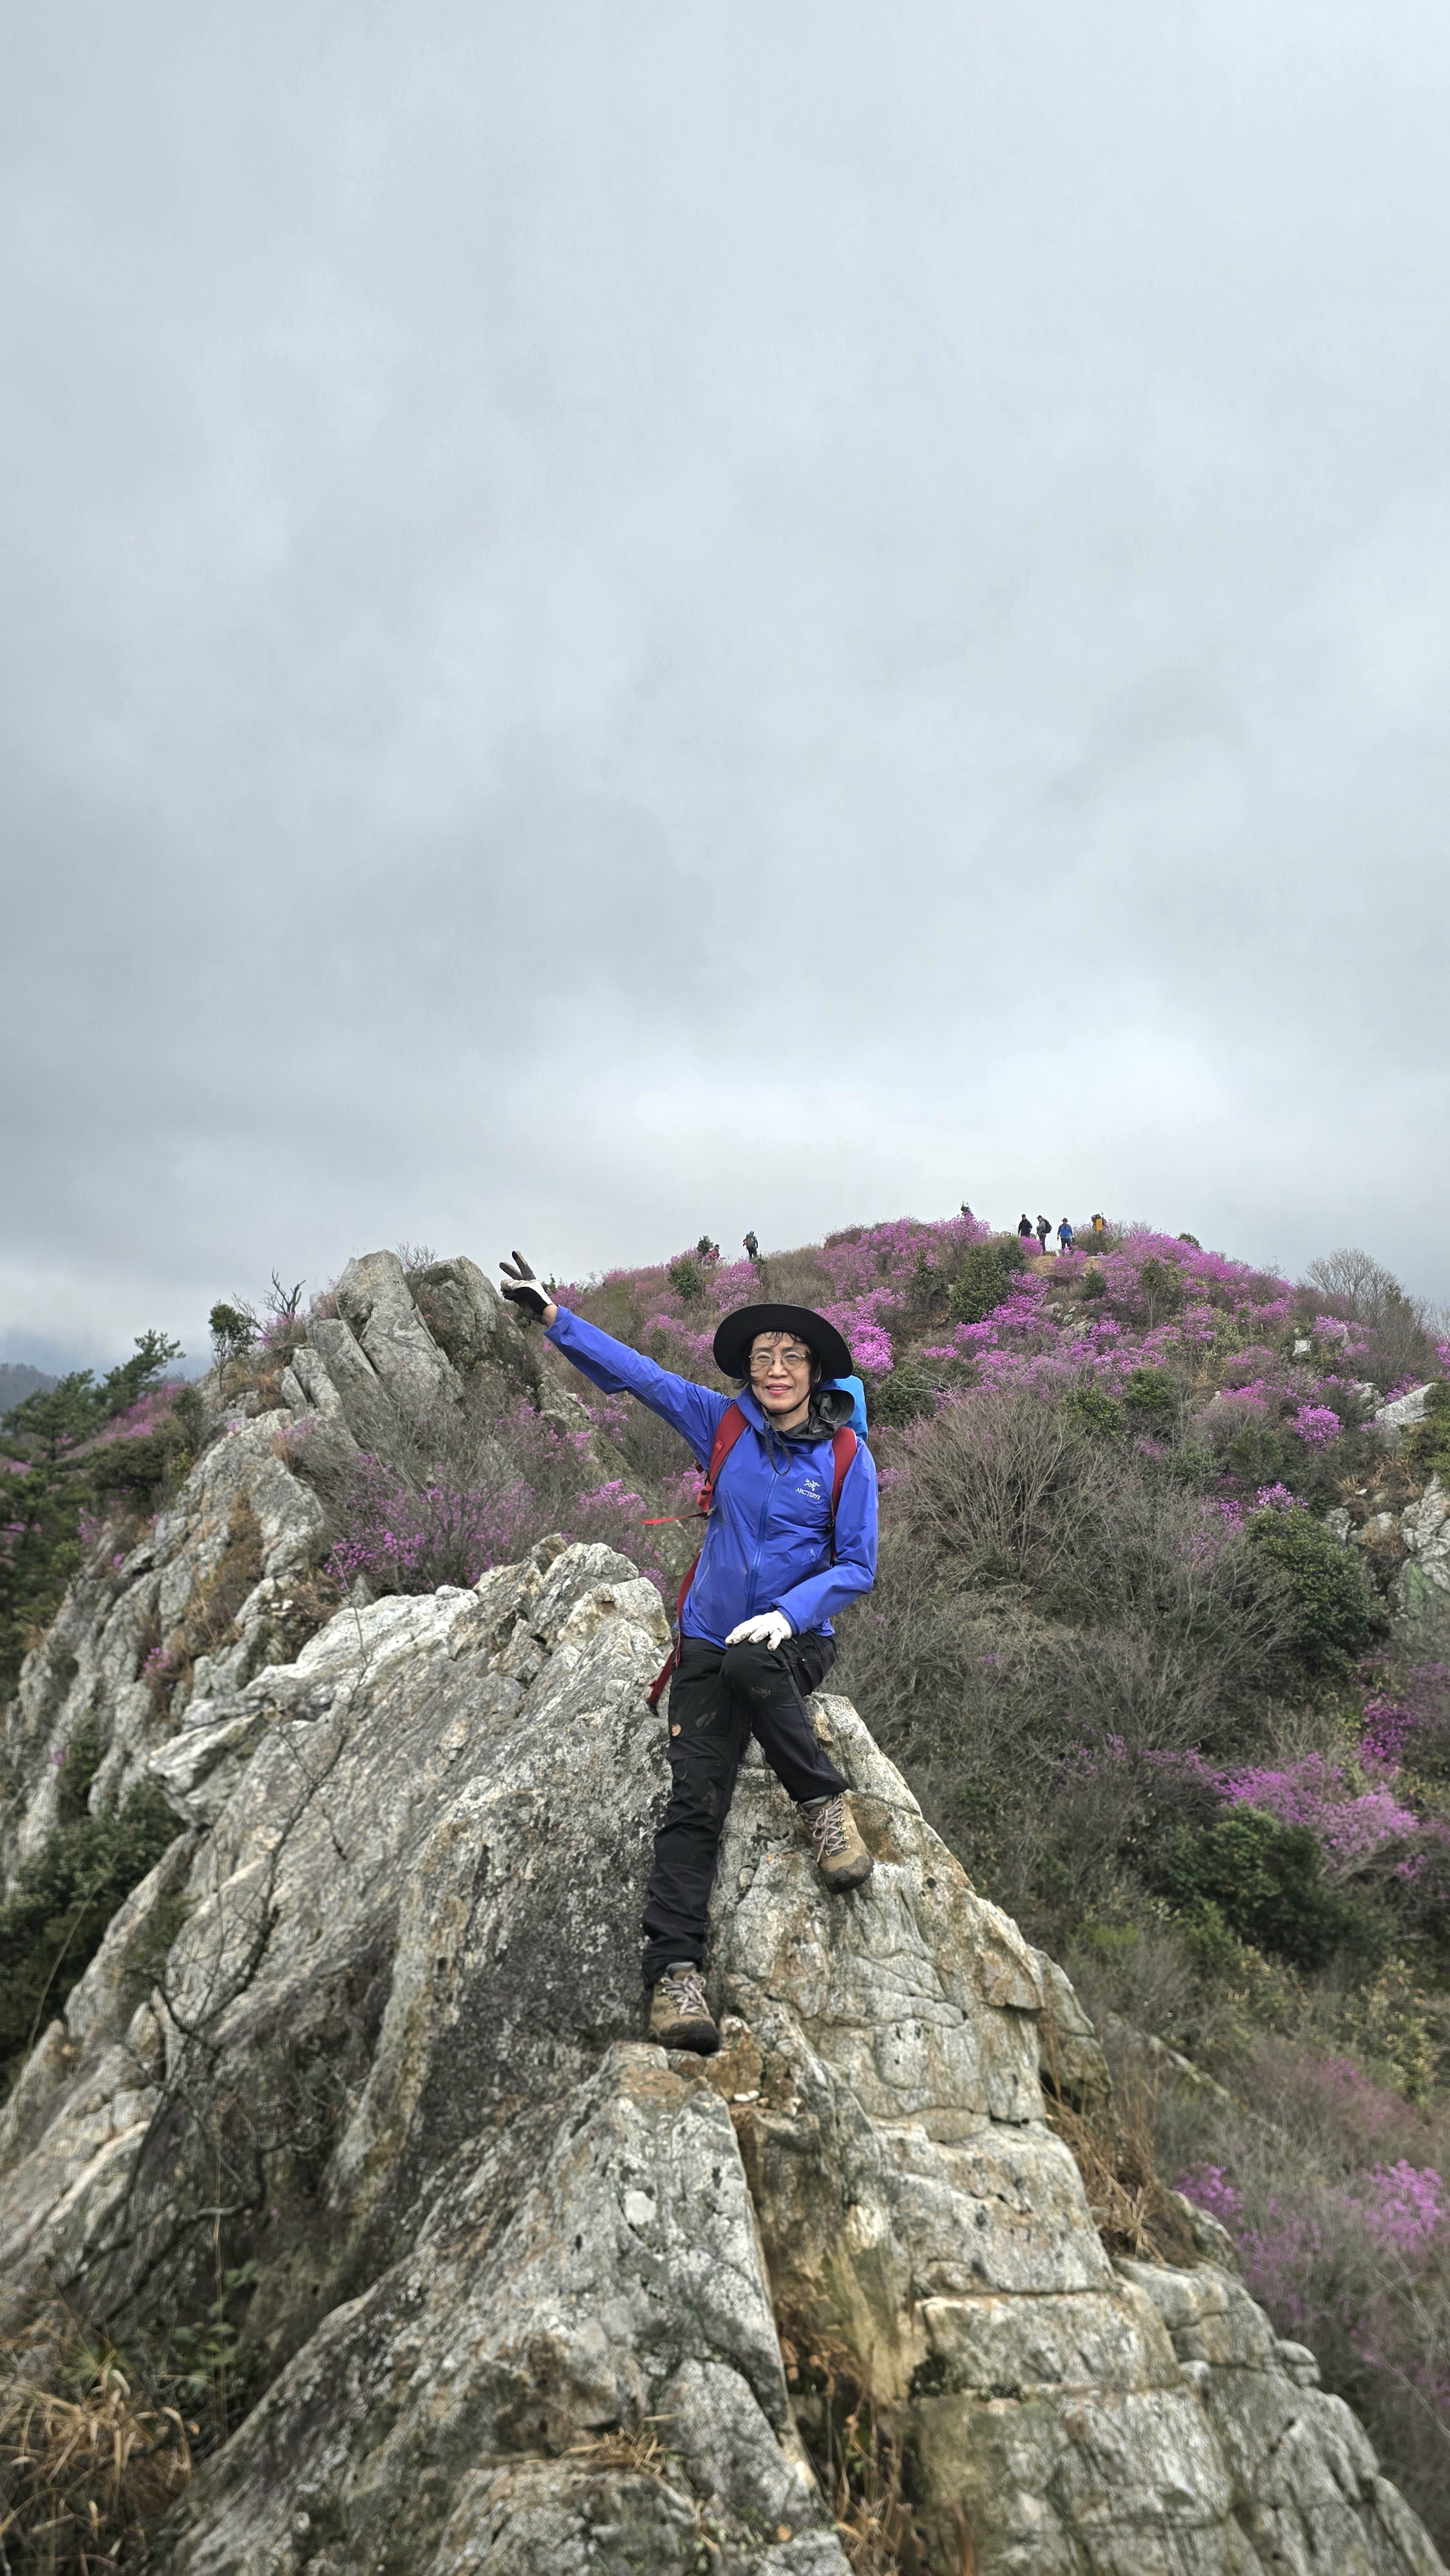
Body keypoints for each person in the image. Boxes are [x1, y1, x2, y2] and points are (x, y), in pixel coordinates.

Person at [498, 1253, 879, 2058]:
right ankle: (674, 1975)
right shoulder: (723, 1424)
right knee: (693, 1798)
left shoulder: (846, 1456)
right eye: (763, 1356)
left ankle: (821, 1804)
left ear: (816, 1372)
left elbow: (856, 1565)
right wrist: (556, 1320)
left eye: (792, 1356)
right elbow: (642, 1378)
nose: (775, 1369)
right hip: (707, 1636)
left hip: (792, 1639)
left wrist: (788, 1614)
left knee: (752, 1664)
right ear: (748, 1370)